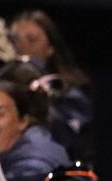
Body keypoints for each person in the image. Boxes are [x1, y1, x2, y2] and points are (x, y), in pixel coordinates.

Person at [8, 9, 94, 161]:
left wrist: (37, 94)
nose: (21, 48)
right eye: (14, 40)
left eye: (32, 40)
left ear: (50, 48)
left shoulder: (68, 94)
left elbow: (67, 138)